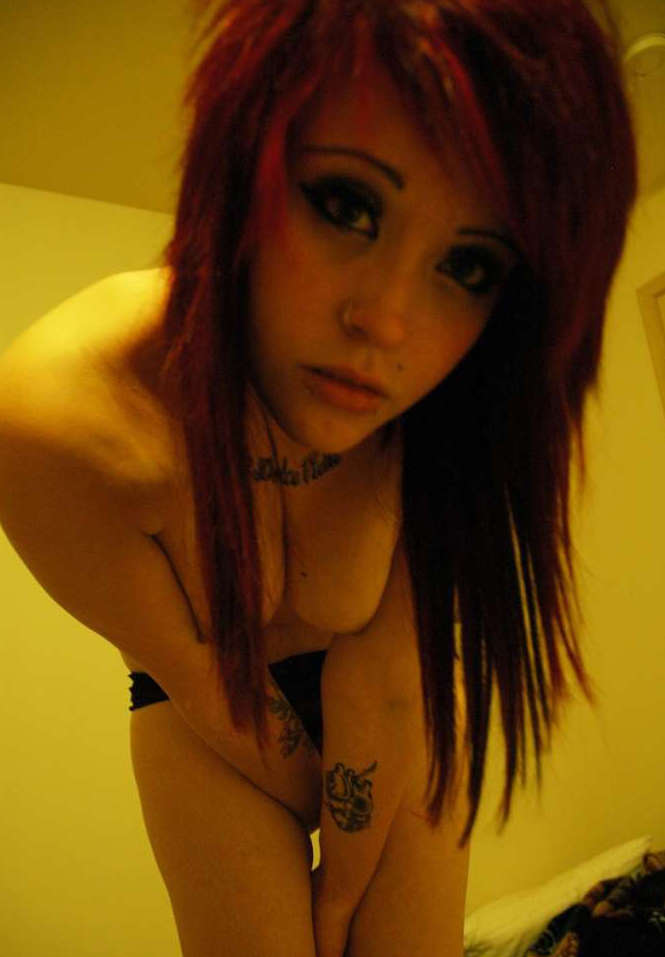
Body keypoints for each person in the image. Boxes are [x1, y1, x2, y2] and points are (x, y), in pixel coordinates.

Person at [0, 1, 637, 955]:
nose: (386, 321)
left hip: (398, 707)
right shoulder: (59, 419)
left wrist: (341, 888)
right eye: (346, 205)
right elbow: (203, 681)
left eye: (468, 265)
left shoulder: (453, 393)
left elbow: (388, 682)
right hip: (201, 716)